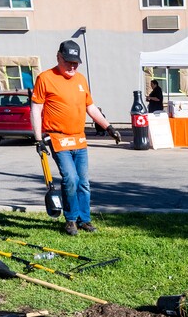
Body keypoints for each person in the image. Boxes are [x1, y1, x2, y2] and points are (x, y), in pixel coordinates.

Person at [31, 40, 122, 236]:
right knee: (70, 178)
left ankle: (85, 219)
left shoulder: (81, 80)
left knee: (83, 182)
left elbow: (90, 106)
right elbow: (36, 108)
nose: (72, 66)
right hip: (58, 138)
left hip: (79, 139)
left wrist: (108, 127)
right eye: (68, 62)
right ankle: (71, 220)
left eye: (76, 62)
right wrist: (38, 139)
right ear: (58, 57)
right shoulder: (45, 78)